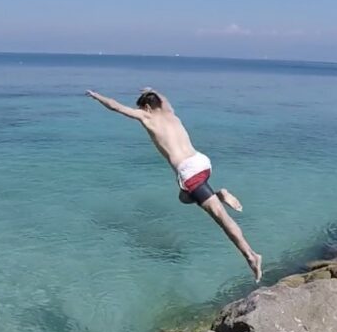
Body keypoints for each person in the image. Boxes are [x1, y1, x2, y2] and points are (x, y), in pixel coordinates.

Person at [86, 88, 263, 281]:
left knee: (221, 217)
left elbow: (115, 106)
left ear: (147, 107)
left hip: (189, 172)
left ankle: (251, 255)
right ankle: (219, 194)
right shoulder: (171, 113)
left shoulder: (147, 118)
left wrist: (97, 96)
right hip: (202, 162)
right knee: (184, 197)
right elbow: (163, 99)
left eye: (143, 108)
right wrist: (152, 90)